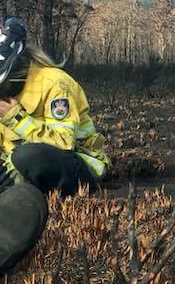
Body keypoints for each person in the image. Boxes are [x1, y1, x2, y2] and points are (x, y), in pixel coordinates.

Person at [0, 17, 111, 196]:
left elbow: (64, 143)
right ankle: (14, 197)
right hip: (21, 167)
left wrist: (16, 118)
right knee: (20, 158)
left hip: (76, 163)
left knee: (27, 156)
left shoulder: (54, 82)